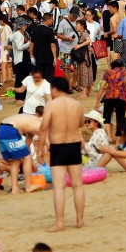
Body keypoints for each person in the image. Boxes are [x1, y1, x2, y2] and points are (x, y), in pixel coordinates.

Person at [39, 77, 85, 232]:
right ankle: (79, 220)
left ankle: (60, 223)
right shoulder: (77, 104)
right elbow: (80, 123)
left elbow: (44, 128)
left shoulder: (51, 105)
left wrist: (40, 150)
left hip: (58, 147)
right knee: (77, 185)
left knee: (59, 187)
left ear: (55, 89)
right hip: (74, 145)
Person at [0, 112, 41, 194]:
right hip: (10, 130)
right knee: (26, 157)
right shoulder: (41, 126)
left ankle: (15, 188)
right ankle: (28, 186)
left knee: (15, 160)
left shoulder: (32, 125)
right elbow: (49, 144)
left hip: (0, 130)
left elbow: (27, 146)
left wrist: (32, 163)